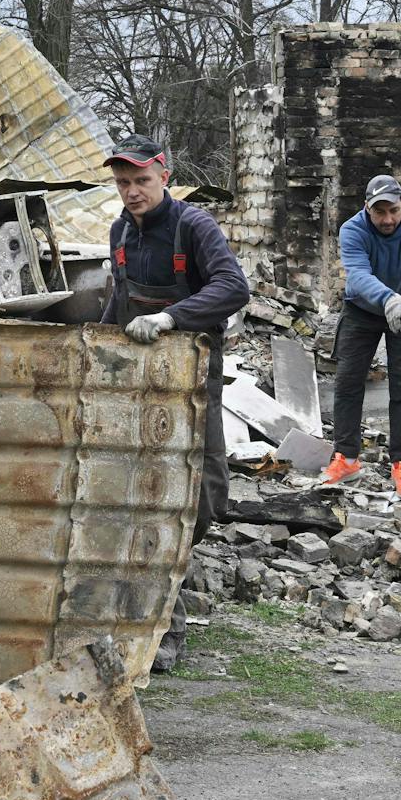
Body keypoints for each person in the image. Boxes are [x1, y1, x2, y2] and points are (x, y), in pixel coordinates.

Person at [101, 134, 250, 671]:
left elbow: (234, 287)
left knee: (204, 496)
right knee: (137, 499)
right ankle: (158, 624)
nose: (132, 192)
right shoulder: (120, 231)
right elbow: (118, 301)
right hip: (138, 386)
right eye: (123, 182)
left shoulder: (195, 227)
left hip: (191, 384)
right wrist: (97, 359)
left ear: (164, 175)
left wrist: (170, 318)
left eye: (141, 180)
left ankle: (164, 583)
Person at [322, 174, 401, 499]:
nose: (388, 219)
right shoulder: (353, 229)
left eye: (393, 210)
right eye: (379, 212)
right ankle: (347, 458)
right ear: (367, 208)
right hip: (363, 310)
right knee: (349, 382)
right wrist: (387, 299)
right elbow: (358, 276)